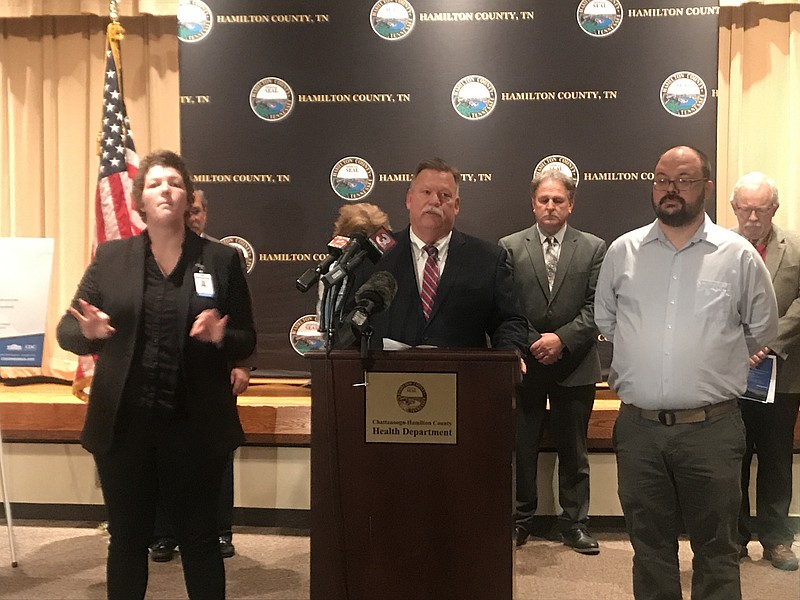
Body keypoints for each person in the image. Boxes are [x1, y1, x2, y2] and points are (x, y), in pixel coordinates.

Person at [57, 150, 256, 600]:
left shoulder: (222, 260)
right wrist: (87, 332)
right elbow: (67, 328)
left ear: (188, 197)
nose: (165, 189)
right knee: (127, 540)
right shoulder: (110, 258)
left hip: (195, 426)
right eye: (154, 184)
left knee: (200, 541)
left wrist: (222, 337)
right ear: (139, 202)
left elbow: (246, 337)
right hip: (125, 427)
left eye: (174, 182)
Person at [594, 145, 778, 600]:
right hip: (639, 429)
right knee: (649, 546)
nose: (670, 189)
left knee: (717, 548)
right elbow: (607, 322)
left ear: (706, 188)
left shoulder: (737, 256)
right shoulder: (623, 252)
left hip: (711, 431)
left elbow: (762, 330)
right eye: (661, 179)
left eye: (683, 179)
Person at [499, 170, 606, 553]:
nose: (550, 206)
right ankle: (520, 520)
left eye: (558, 200)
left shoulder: (594, 248)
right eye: (543, 200)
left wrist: (561, 339)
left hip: (575, 364)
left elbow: (598, 307)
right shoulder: (509, 246)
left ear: (570, 204)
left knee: (574, 452)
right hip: (526, 364)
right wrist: (534, 342)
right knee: (521, 448)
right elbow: (506, 305)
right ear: (533, 203)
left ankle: (575, 524)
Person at [150, 189, 251, 562]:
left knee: (216, 457)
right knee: (160, 456)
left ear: (205, 214)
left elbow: (241, 321)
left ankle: (220, 530)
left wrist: (241, 363)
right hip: (163, 377)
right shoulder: (157, 258)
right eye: (185, 210)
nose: (190, 217)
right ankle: (162, 534)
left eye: (195, 211)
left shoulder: (222, 258)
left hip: (213, 377)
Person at [352, 157, 527, 352]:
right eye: (426, 192)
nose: (435, 201)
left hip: (465, 378)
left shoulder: (487, 259)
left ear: (457, 205)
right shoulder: (374, 255)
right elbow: (349, 320)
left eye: (445, 195)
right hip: (389, 377)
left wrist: (511, 355)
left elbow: (509, 321)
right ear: (409, 199)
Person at [730, 171, 800, 571]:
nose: (752, 216)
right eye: (745, 208)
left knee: (776, 458)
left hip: (784, 373)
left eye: (761, 208)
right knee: (731, 457)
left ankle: (776, 540)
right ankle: (734, 539)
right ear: (734, 208)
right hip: (731, 372)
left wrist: (769, 342)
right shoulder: (716, 247)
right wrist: (740, 346)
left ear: (774, 208)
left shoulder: (796, 246)